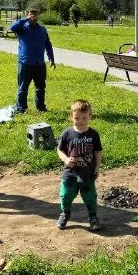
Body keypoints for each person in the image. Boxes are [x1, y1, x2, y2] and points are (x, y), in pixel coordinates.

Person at [56, 99, 102, 232]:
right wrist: (65, 159)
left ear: (90, 116)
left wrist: (97, 167)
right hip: (70, 173)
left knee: (90, 196)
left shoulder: (93, 134)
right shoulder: (67, 133)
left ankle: (93, 217)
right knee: (65, 195)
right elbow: (60, 149)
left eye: (84, 117)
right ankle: (65, 213)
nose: (80, 120)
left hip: (87, 173)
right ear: (71, 117)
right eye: (77, 118)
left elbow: (97, 151)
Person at [10, 9, 56, 113]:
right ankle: (21, 108)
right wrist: (25, 19)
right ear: (27, 16)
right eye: (30, 15)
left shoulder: (42, 29)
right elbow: (12, 27)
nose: (33, 17)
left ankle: (41, 107)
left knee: (40, 87)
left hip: (39, 64)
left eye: (35, 15)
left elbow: (48, 44)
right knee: (23, 88)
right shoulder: (22, 28)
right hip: (25, 63)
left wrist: (51, 58)